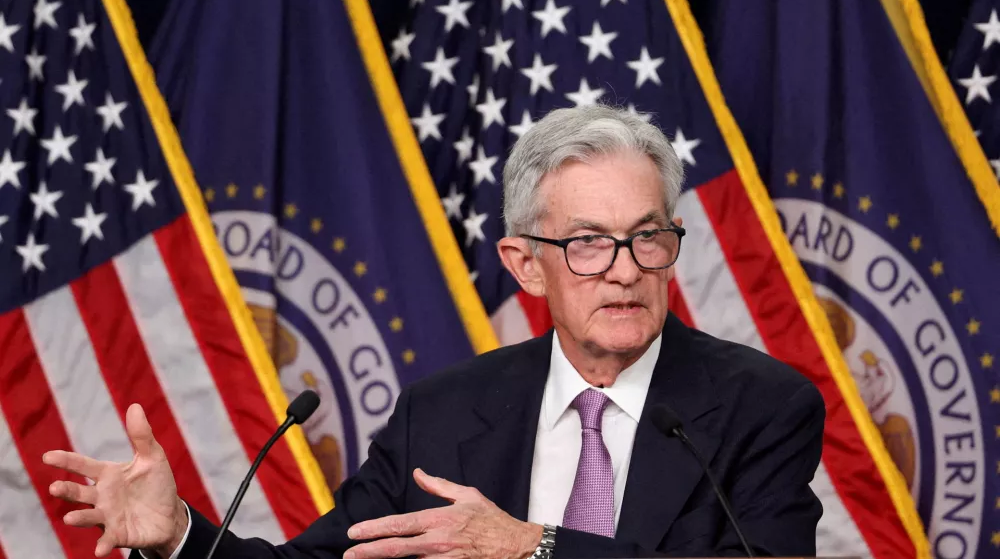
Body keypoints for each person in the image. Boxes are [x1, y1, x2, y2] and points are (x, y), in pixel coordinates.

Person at [43, 104, 825, 558]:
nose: (624, 268)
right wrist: (179, 534)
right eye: (587, 242)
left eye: (646, 236)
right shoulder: (443, 414)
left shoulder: (761, 405)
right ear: (524, 264)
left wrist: (532, 547)